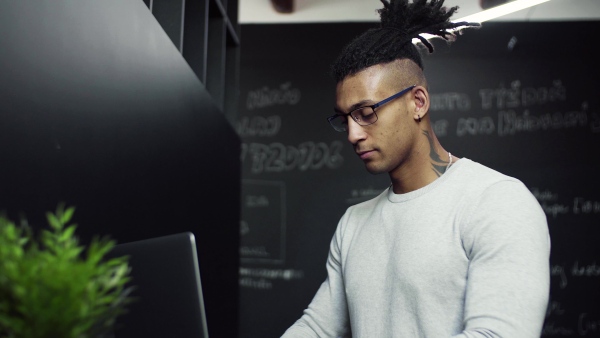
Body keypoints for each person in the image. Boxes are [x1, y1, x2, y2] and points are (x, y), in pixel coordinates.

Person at [281, 0, 551, 337]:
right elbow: (318, 328)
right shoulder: (353, 224)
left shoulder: (497, 202)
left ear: (417, 102)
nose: (353, 133)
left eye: (366, 112)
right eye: (344, 118)